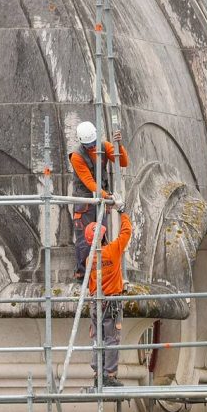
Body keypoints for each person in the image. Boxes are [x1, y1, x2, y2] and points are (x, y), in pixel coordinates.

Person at [70, 121, 129, 279]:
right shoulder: (77, 156)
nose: (92, 148)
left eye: (93, 144)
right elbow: (89, 182)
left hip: (101, 199)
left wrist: (119, 146)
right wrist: (108, 197)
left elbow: (123, 162)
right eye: (88, 146)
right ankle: (82, 275)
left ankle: (101, 273)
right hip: (85, 202)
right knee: (84, 240)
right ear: (82, 143)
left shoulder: (104, 146)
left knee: (101, 236)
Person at [84, 205, 133, 388]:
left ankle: (98, 374)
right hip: (111, 302)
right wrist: (122, 212)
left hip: (96, 302)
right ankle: (109, 376)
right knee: (112, 338)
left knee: (98, 338)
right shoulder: (112, 250)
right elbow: (126, 231)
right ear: (103, 236)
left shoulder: (90, 259)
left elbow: (91, 284)